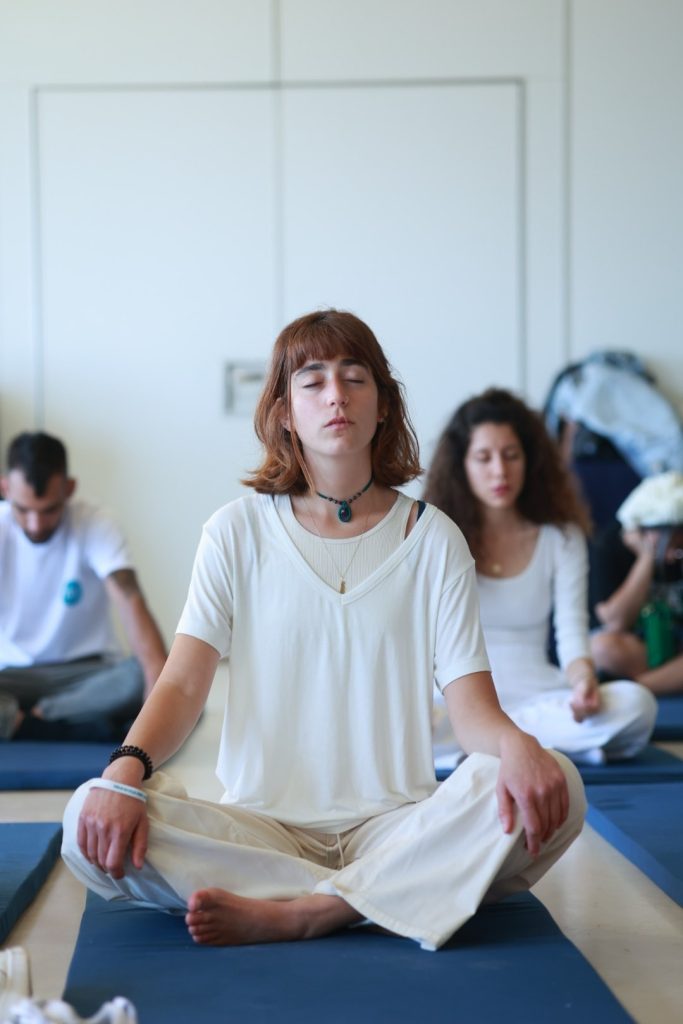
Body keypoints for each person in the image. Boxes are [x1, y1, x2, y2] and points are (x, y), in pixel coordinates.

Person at [62, 311, 585, 952]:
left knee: (561, 788)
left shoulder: (435, 539)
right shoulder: (235, 532)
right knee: (85, 815)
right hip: (260, 829)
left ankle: (309, 911)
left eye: (354, 377)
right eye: (312, 382)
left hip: (397, 824)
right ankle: (387, 895)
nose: (336, 395)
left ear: (384, 405)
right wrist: (124, 772)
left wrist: (519, 746)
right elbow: (183, 684)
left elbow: (473, 713)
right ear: (285, 411)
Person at [424, 388, 656, 770]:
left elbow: (572, 634)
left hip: (541, 698)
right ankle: (516, 745)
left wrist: (583, 682)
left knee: (637, 706)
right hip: (461, 705)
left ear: (530, 460)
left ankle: (497, 746)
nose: (499, 470)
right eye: (484, 458)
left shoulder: (561, 537)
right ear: (461, 466)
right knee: (403, 724)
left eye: (511, 455)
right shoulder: (437, 535)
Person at [0, 432, 167, 741]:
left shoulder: (96, 522)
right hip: (11, 674)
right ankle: (60, 722)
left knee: (138, 677)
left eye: (49, 509)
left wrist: (158, 713)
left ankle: (30, 721)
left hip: (86, 674)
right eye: (23, 510)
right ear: (5, 488)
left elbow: (130, 599)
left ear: (69, 488)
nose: (36, 524)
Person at [591, 471, 683, 694]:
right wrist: (647, 558)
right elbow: (614, 621)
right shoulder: (608, 545)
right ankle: (665, 682)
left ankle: (636, 690)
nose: (674, 554)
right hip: (641, 646)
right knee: (601, 646)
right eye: (670, 543)